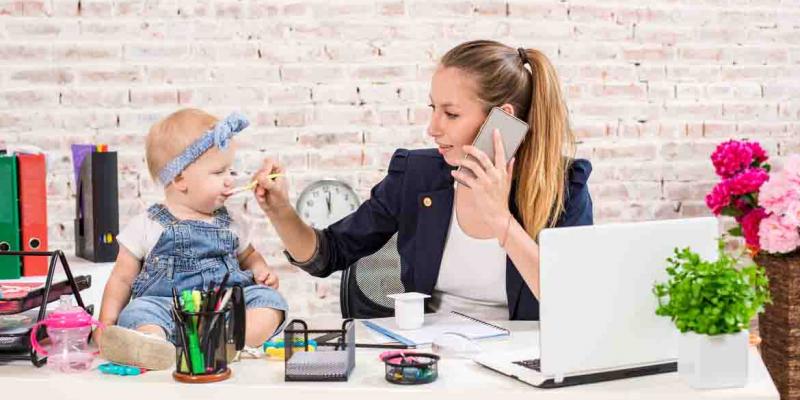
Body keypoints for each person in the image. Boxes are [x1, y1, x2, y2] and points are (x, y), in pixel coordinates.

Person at [252, 40, 592, 321]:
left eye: (451, 113)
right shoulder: (416, 174)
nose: (433, 127)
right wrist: (280, 210)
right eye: (433, 108)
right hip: (432, 358)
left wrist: (501, 220)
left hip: (523, 361)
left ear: (501, 119)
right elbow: (329, 254)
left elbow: (573, 302)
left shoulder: (565, 187)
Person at [96, 108, 287, 370]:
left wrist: (259, 268)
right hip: (167, 310)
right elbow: (122, 278)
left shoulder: (230, 222)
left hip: (223, 312)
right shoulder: (147, 224)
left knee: (269, 301)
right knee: (138, 312)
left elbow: (249, 255)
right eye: (219, 173)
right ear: (179, 179)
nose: (230, 181)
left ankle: (228, 341)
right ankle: (152, 343)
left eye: (230, 172)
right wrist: (105, 322)